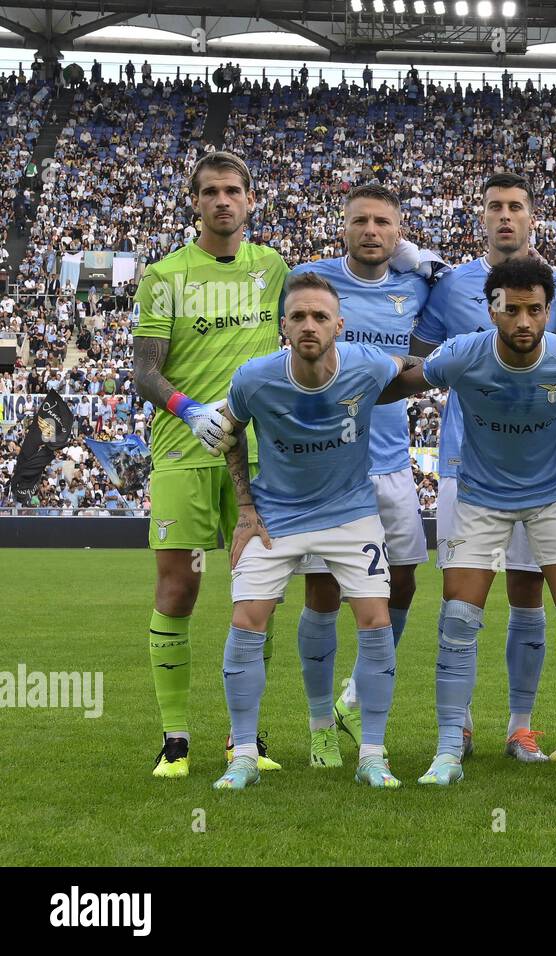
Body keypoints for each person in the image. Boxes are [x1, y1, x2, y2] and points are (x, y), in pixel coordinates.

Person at [387, 258, 556, 787]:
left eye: (535, 310)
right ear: (492, 310)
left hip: (554, 498)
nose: (524, 321)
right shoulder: (460, 355)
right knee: (457, 621)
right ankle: (448, 751)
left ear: (548, 312)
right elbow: (399, 383)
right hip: (479, 499)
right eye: (512, 309)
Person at [212, 271, 405, 790]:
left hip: (350, 512)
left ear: (340, 325)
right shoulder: (254, 378)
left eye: (320, 316)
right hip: (276, 516)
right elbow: (228, 430)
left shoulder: (367, 364)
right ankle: (244, 756)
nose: (309, 325)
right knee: (247, 620)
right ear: (283, 327)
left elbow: (410, 368)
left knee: (375, 619)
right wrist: (246, 509)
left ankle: (372, 754)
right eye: (298, 316)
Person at [132, 151, 289, 778]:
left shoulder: (273, 268)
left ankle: (243, 739)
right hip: (182, 450)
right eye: (211, 192)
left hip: (255, 456)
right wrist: (189, 407)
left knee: (258, 592)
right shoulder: (165, 275)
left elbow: (324, 308)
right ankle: (174, 739)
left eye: (234, 191)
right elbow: (145, 368)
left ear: (251, 200)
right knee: (180, 587)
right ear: (194, 202)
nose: (223, 201)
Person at [408, 173, 556, 762]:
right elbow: (415, 362)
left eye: (516, 206)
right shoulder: (448, 288)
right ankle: (461, 723)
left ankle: (521, 726)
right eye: (495, 206)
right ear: (482, 217)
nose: (505, 216)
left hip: (539, 470)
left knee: (528, 593)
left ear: (530, 217)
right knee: (461, 598)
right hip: (464, 464)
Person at [287, 183, 434, 766]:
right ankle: (321, 724)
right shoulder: (311, 282)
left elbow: (425, 350)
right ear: (342, 227)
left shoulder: (416, 285)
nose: (372, 231)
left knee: (404, 583)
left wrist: (422, 260)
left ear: (399, 235)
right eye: (361, 221)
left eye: (383, 223)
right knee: (323, 594)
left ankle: (353, 696)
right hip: (328, 468)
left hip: (392, 463)